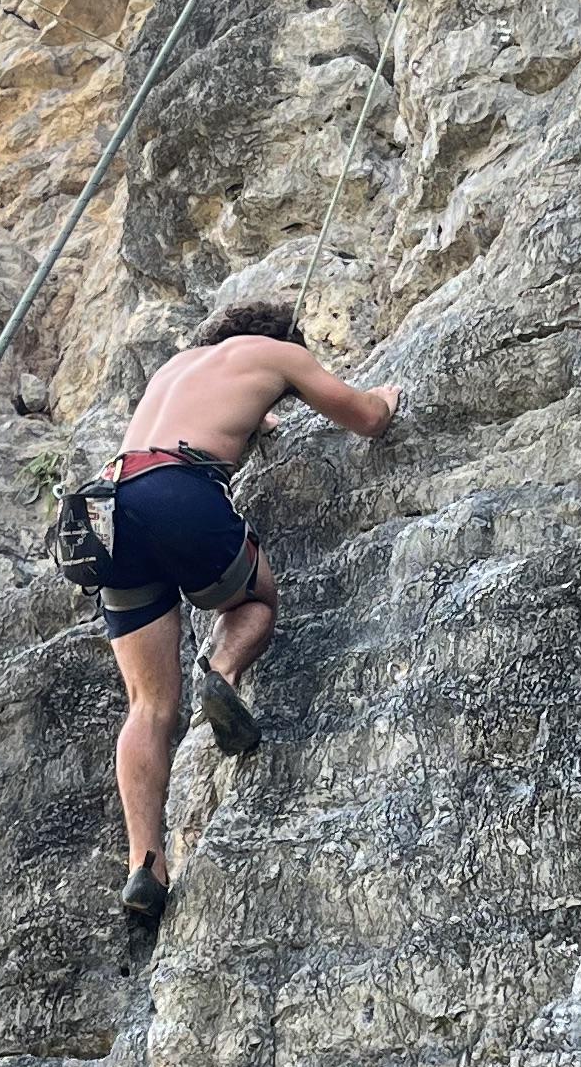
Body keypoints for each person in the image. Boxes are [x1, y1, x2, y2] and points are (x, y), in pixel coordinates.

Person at [102, 300, 399, 934]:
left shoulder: (175, 368)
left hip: (108, 509)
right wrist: (385, 398)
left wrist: (255, 419)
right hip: (178, 490)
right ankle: (223, 673)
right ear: (280, 339)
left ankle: (145, 865)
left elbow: (207, 416)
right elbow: (368, 420)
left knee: (148, 705)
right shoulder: (278, 353)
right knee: (254, 600)